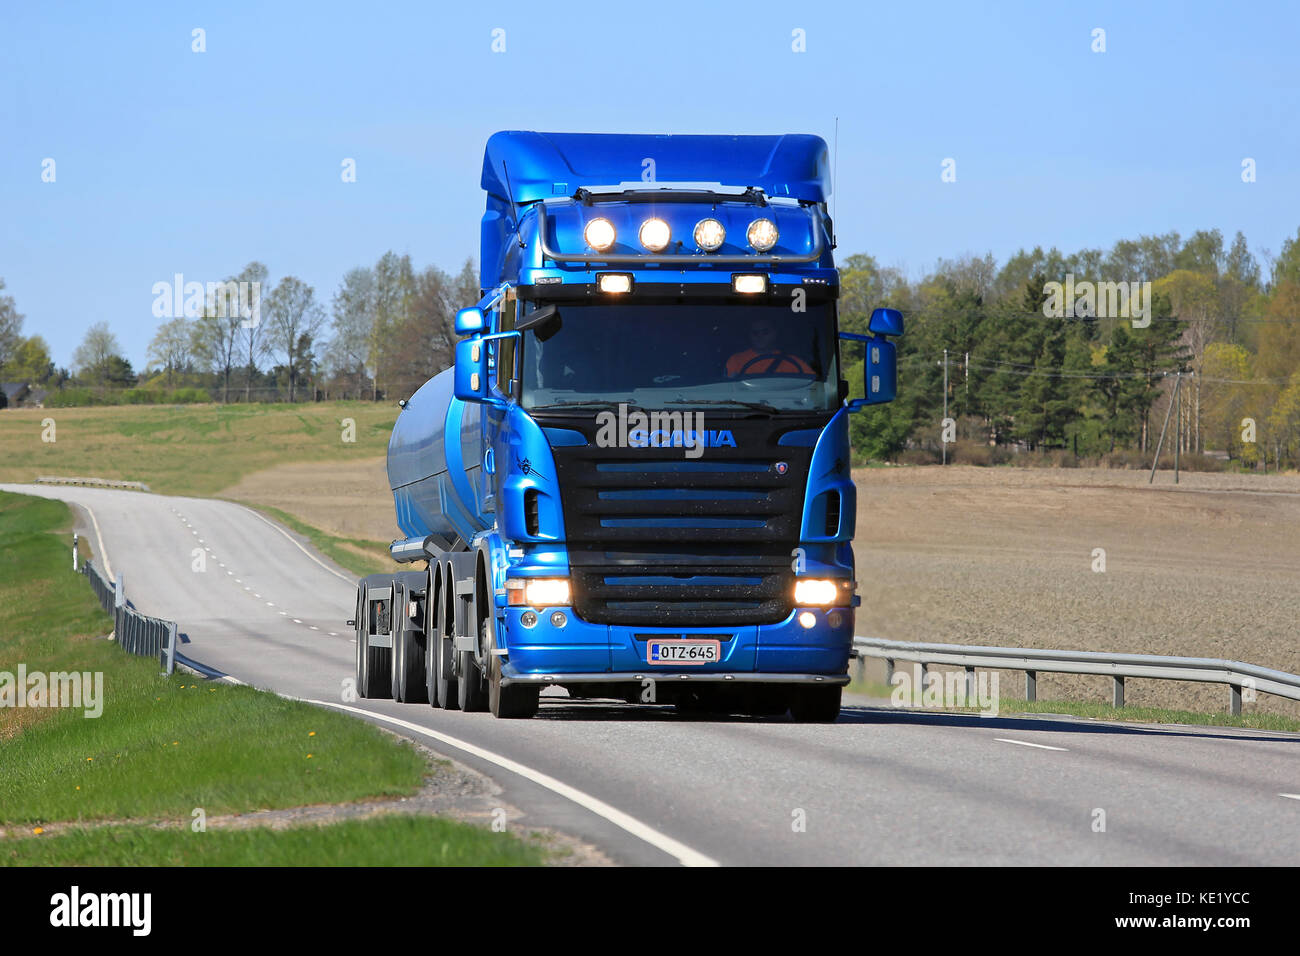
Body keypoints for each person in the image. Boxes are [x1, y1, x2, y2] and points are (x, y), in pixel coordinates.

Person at [725, 317, 813, 377]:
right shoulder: (736, 360)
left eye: (765, 332)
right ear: (749, 335)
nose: (760, 336)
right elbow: (727, 389)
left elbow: (813, 384)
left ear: (775, 333)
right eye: (755, 333)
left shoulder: (794, 362)